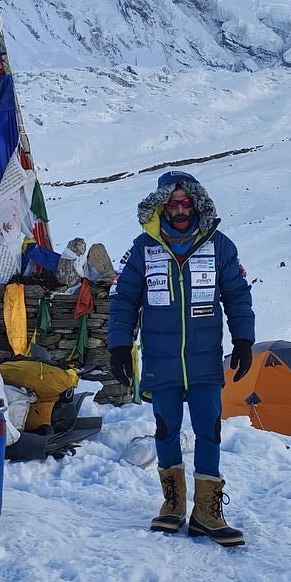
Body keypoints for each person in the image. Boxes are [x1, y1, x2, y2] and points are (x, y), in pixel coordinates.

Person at [108, 171, 255, 547]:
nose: (179, 209)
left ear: (197, 203)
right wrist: (119, 345)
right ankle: (172, 504)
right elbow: (124, 299)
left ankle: (207, 512)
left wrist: (243, 339)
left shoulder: (219, 246)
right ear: (161, 206)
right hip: (161, 359)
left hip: (205, 361)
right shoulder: (144, 248)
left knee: (210, 430)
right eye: (171, 203)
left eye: (185, 202)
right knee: (165, 429)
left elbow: (237, 294)